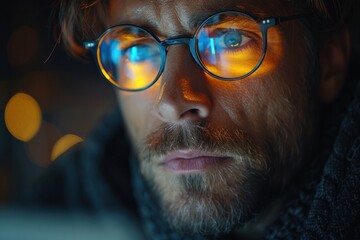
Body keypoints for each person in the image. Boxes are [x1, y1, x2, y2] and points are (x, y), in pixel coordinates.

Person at [21, 0, 359, 239]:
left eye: (230, 40)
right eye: (137, 51)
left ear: (330, 61)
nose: (173, 102)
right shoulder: (46, 219)